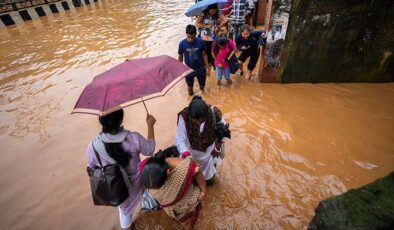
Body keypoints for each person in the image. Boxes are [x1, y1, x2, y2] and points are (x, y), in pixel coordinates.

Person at [86, 109, 156, 230]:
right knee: (146, 200)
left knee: (124, 212)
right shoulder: (133, 138)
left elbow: (91, 169)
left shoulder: (93, 146)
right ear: (121, 119)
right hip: (138, 185)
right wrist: (150, 125)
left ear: (101, 121)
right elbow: (150, 150)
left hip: (117, 190)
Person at [140, 156, 206, 229]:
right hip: (193, 198)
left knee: (186, 223)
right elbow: (198, 172)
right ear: (167, 172)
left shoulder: (154, 192)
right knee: (199, 210)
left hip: (178, 212)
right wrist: (203, 192)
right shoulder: (184, 167)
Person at [176, 95, 226, 186]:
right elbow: (180, 138)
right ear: (190, 117)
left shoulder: (214, 112)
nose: (200, 123)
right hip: (191, 152)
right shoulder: (184, 116)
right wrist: (185, 152)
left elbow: (224, 130)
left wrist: (218, 147)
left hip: (210, 150)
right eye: (197, 121)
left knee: (210, 175)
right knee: (193, 175)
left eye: (203, 121)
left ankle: (209, 183)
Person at [178, 25, 210, 96]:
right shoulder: (182, 44)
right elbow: (180, 56)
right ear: (186, 34)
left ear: (196, 34)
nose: (190, 39)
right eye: (188, 37)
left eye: (192, 37)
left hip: (200, 68)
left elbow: (204, 54)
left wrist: (208, 67)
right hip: (188, 70)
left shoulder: (201, 42)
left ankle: (203, 96)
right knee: (190, 90)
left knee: (202, 87)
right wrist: (180, 70)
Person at [195, 3, 228, 69]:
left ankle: (213, 64)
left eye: (215, 10)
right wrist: (206, 26)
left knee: (213, 50)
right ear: (208, 9)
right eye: (212, 10)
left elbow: (225, 20)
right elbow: (196, 23)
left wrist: (218, 27)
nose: (213, 12)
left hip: (213, 35)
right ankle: (206, 65)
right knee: (205, 50)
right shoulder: (203, 13)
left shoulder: (218, 13)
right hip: (204, 36)